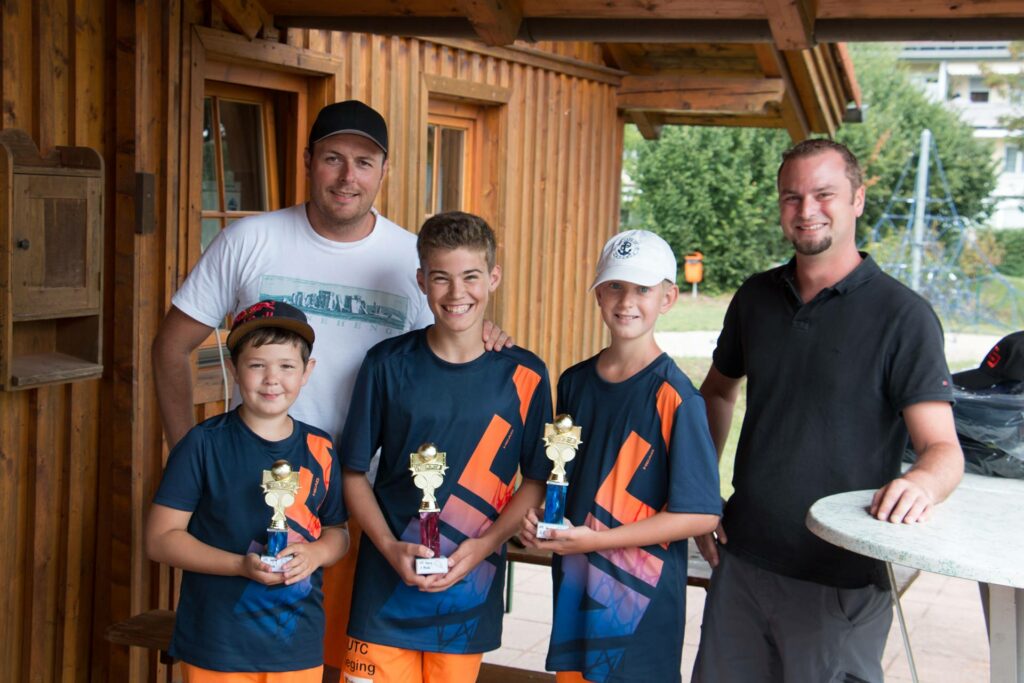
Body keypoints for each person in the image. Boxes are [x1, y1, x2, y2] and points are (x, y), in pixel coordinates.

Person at [150, 99, 508, 675]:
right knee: (250, 660)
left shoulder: (407, 259)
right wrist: (186, 459)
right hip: (259, 495)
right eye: (333, 159)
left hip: (369, 505)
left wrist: (488, 333)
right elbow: (170, 346)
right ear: (308, 160)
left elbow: (452, 329)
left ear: (384, 170)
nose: (348, 176)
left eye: (364, 162)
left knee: (344, 665)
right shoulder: (251, 240)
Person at [691, 138, 964, 683]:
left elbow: (942, 449)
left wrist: (922, 485)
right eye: (791, 197)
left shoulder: (903, 317)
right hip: (742, 563)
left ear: (858, 199)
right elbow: (718, 391)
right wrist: (698, 492)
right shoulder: (755, 298)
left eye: (824, 194)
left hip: (841, 579)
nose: (806, 209)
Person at [340, 211, 552, 683]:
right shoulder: (385, 365)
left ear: (493, 277)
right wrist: (391, 547)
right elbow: (352, 474)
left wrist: (485, 546)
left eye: (471, 277)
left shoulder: (526, 375)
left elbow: (536, 479)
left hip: (468, 590)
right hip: (384, 590)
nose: (457, 294)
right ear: (421, 281)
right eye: (441, 278)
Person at [520, 229, 722, 683]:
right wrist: (541, 523)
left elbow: (700, 514)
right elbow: (563, 481)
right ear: (597, 293)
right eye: (615, 285)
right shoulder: (573, 382)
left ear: (668, 298)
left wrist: (593, 540)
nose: (626, 300)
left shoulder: (677, 397)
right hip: (577, 590)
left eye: (642, 289)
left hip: (639, 603)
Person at [145, 300, 348, 682]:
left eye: (287, 366)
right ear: (233, 369)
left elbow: (338, 533)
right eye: (257, 365)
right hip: (218, 645)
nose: (272, 379)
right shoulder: (202, 445)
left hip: (297, 644)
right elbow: (159, 540)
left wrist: (316, 553)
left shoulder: (322, 448)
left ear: (307, 371)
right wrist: (239, 565)